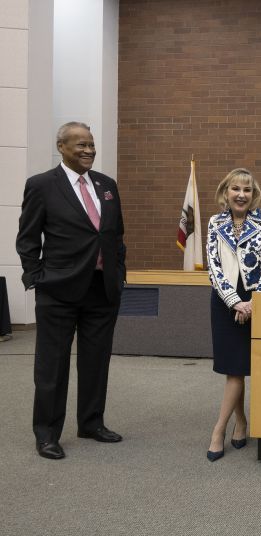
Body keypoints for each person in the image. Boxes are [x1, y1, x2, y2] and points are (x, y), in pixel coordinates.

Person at [16, 122, 126, 460]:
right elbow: (28, 239)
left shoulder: (107, 185)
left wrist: (118, 272)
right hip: (58, 290)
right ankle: (47, 433)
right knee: (53, 365)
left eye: (91, 144)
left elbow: (114, 234)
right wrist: (36, 276)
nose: (89, 150)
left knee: (96, 361)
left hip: (100, 289)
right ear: (61, 146)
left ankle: (91, 423)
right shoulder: (41, 186)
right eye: (80, 144)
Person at [205, 168, 261, 461]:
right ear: (226, 192)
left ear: (253, 194)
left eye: (247, 190)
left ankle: (218, 431)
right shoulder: (215, 222)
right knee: (232, 368)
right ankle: (241, 423)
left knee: (239, 367)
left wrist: (254, 302)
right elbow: (213, 266)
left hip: (257, 299)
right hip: (225, 302)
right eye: (236, 189)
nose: (241, 195)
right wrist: (236, 302)